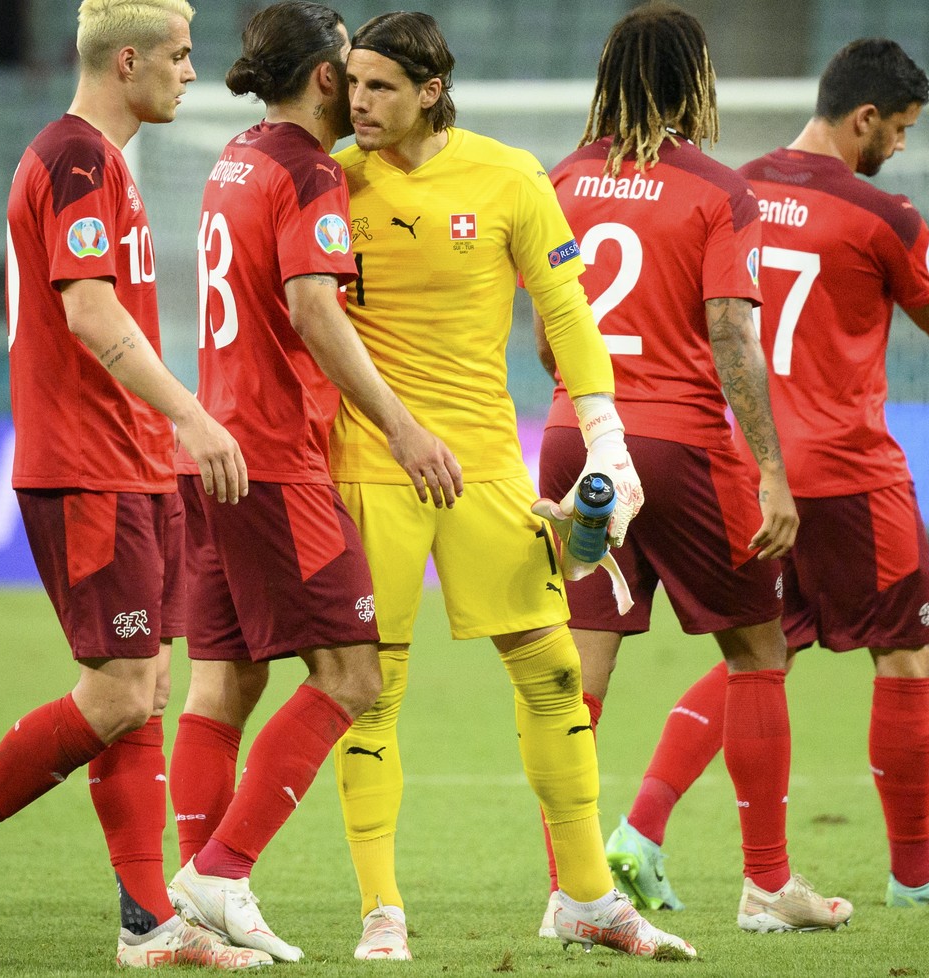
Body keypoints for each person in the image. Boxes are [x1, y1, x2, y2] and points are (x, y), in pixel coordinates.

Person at [0, 0, 262, 970]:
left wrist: (164, 435)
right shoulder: (76, 159)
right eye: (177, 56)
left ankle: (147, 922)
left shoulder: (104, 164)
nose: (190, 72)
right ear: (126, 59)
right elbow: (89, 314)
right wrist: (191, 412)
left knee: (142, 692)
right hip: (86, 467)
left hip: (130, 466)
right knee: (120, 691)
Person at [605, 36, 929, 918]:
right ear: (863, 117)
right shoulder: (884, 214)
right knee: (907, 655)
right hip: (852, 473)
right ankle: (914, 875)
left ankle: (639, 830)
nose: (900, 146)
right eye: (899, 129)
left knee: (763, 649)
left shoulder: (736, 185)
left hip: (756, 468)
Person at [324, 10, 693, 961]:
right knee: (374, 689)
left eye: (380, 88)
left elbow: (566, 308)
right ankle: (381, 910)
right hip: (372, 460)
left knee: (554, 668)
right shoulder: (331, 177)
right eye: (352, 85)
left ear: (431, 90)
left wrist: (606, 437)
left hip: (485, 462)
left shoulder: (509, 175)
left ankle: (587, 898)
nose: (357, 104)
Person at [536, 3, 852, 935]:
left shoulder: (560, 180)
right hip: (678, 446)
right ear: (695, 82)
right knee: (759, 648)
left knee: (578, 675)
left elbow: (552, 328)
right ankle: (766, 886)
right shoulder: (718, 188)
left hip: (574, 437)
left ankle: (572, 893)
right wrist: (771, 468)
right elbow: (729, 332)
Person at [163, 2, 460, 964]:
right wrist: (404, 427)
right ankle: (221, 872)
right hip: (277, 459)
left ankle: (191, 900)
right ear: (328, 77)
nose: (366, 87)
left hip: (214, 452)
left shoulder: (238, 154)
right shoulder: (307, 171)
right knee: (353, 674)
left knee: (225, 681)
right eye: (355, 71)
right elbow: (315, 310)